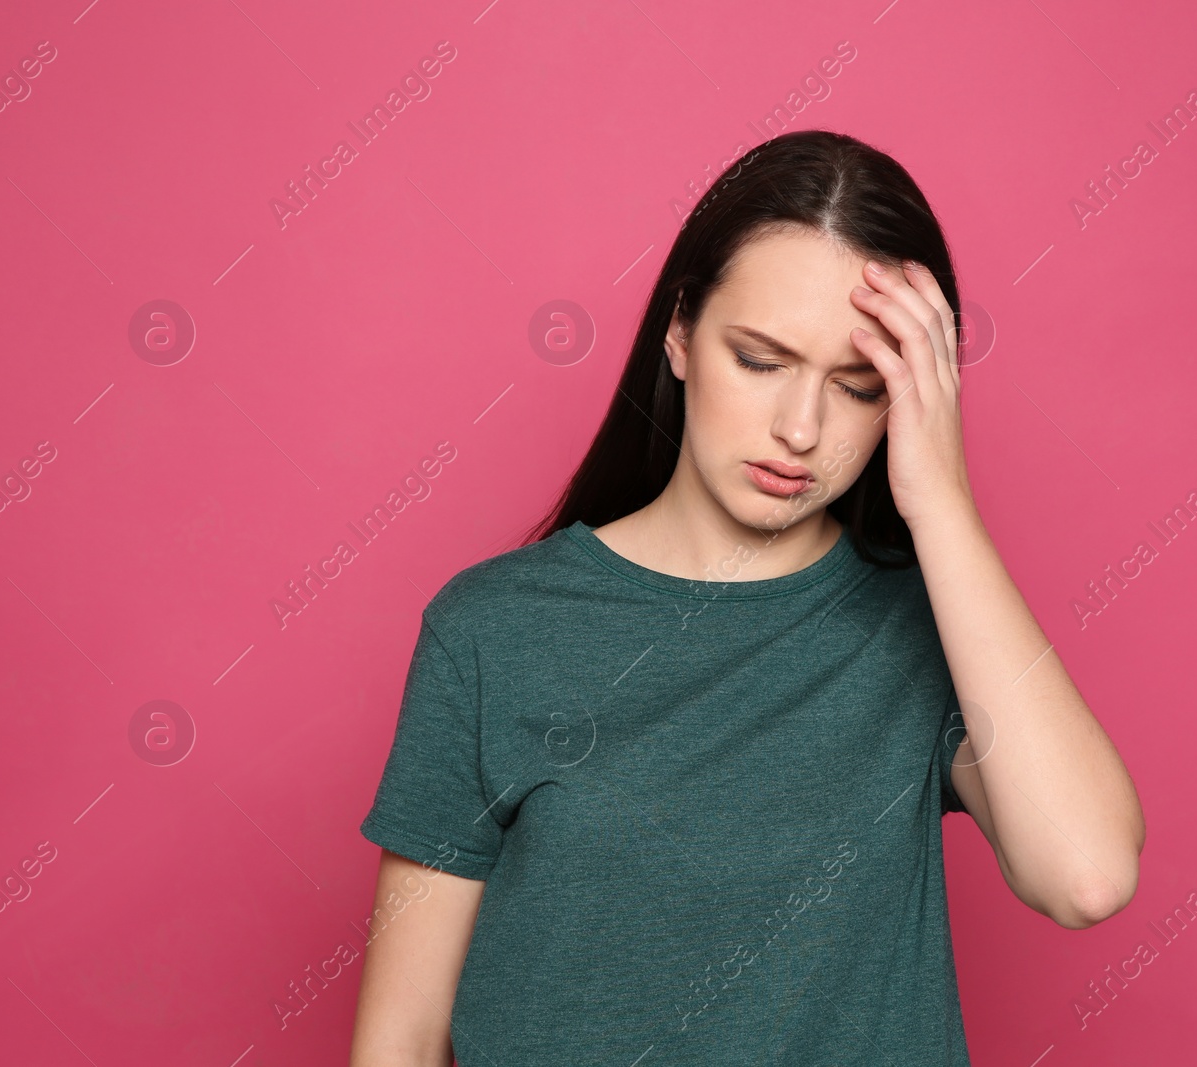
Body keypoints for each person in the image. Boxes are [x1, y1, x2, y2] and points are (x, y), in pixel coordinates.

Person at [349, 129, 1144, 1066]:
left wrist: (943, 504)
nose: (800, 429)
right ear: (680, 331)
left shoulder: (931, 629)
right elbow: (400, 1038)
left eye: (855, 386)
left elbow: (1086, 874)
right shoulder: (492, 632)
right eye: (760, 361)